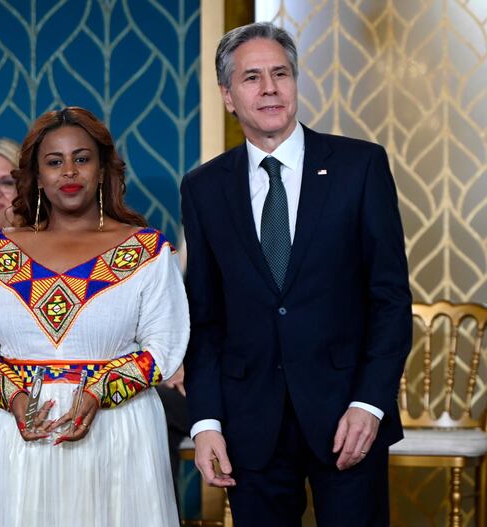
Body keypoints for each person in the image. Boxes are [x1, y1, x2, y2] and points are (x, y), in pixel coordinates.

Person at [180, 22, 412, 526]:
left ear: (295, 82)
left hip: (347, 419)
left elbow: (390, 300)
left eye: (280, 74)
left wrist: (370, 404)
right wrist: (206, 423)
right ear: (227, 95)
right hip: (250, 426)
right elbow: (205, 320)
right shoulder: (203, 188)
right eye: (252, 78)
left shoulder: (360, 167)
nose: (269, 89)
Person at [0, 106, 188, 526]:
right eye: (54, 162)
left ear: (102, 169)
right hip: (19, 431)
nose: (69, 171)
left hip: (119, 429)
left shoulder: (147, 250)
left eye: (82, 158)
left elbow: (163, 346)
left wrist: (99, 391)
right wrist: (14, 395)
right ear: (36, 176)